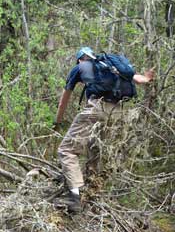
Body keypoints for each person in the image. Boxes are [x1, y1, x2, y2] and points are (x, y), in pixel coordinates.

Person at [54, 46, 155, 213]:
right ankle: (92, 195)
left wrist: (57, 121)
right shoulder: (110, 66)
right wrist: (148, 77)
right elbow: (140, 79)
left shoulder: (80, 67)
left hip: (98, 108)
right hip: (120, 113)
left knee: (67, 150)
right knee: (96, 150)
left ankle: (74, 198)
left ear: (80, 59)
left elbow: (63, 101)